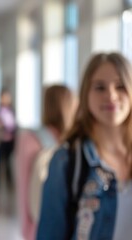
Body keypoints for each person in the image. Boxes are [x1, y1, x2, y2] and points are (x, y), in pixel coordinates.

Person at [37, 52, 132, 240]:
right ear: (85, 94)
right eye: (100, 87)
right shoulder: (66, 161)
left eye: (120, 86)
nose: (111, 95)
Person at [15, 85, 76, 240]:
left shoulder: (30, 139)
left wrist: (27, 229)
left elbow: (23, 187)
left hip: (39, 225)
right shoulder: (76, 142)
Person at [0, 88, 17, 192]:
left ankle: (9, 186)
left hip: (9, 142)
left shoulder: (12, 111)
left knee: (8, 164)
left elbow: (13, 126)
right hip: (0, 142)